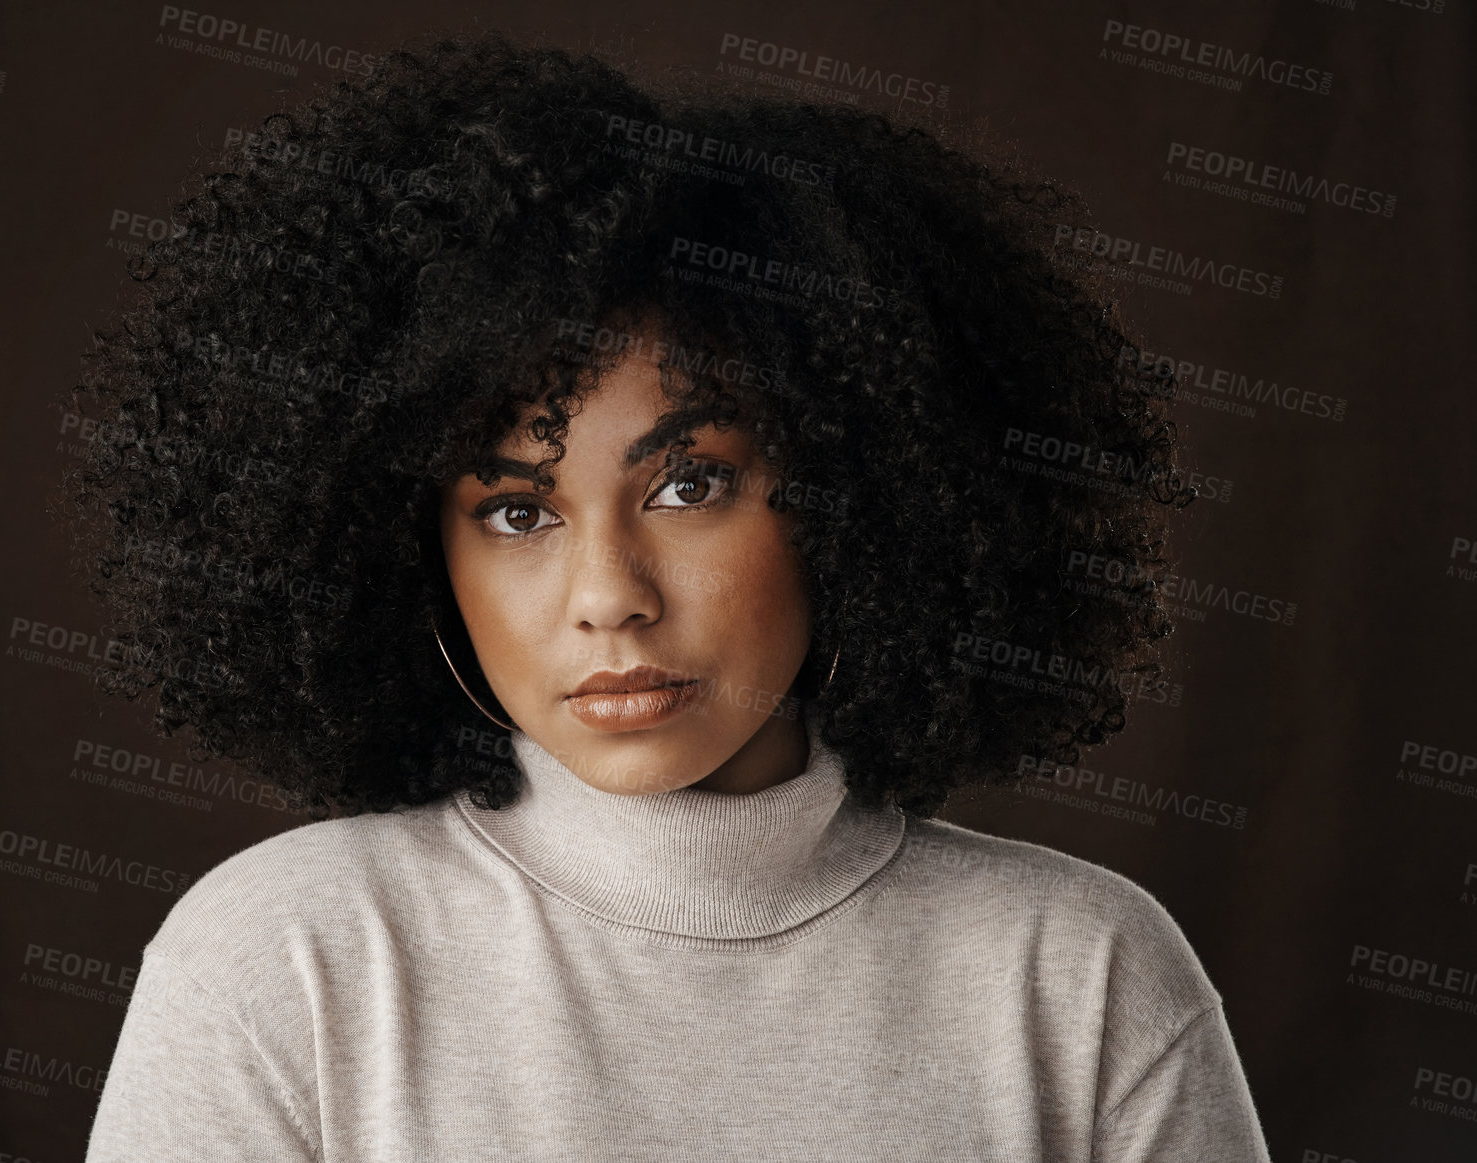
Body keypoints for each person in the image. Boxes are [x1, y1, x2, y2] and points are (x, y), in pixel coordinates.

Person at [69, 29, 1271, 1162]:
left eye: (691, 484)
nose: (609, 596)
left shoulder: (1085, 975)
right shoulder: (286, 957)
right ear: (413, 552)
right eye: (517, 511)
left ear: (860, 494)